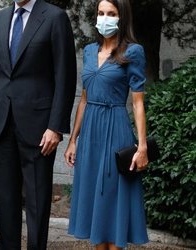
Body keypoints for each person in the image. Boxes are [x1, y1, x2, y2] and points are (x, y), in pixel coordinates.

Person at [0, 0, 76, 249]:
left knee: (37, 201)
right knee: (5, 200)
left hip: (39, 127)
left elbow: (65, 75)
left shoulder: (55, 17)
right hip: (2, 123)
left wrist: (56, 126)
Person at [64, 0, 149, 249]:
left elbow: (137, 104)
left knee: (112, 204)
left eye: (111, 13)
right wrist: (72, 141)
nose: (104, 18)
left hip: (115, 131)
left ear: (121, 18)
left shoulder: (133, 51)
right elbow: (84, 99)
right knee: (95, 211)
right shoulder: (90, 51)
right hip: (90, 133)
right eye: (101, 13)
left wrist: (141, 146)